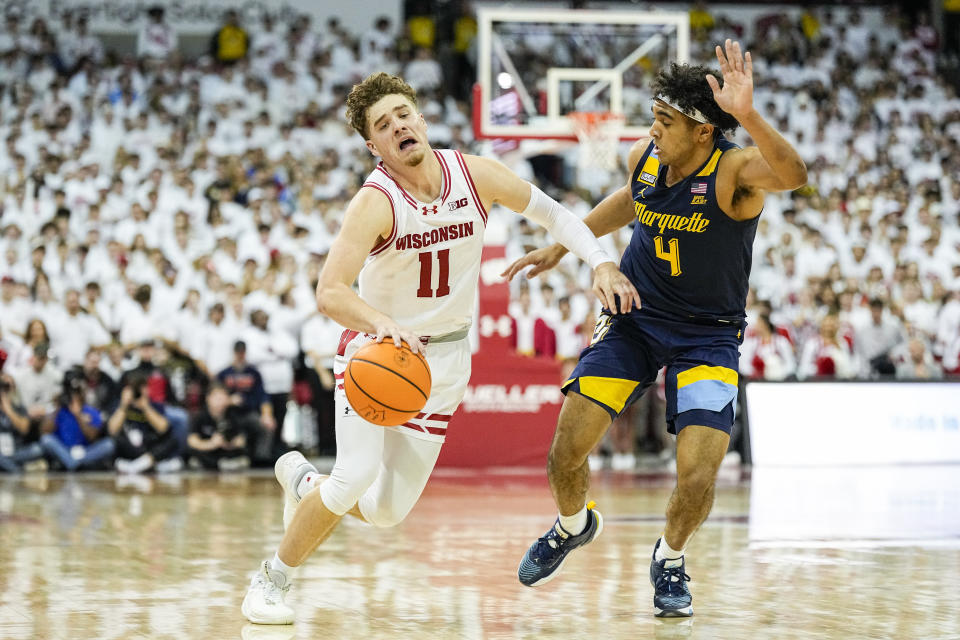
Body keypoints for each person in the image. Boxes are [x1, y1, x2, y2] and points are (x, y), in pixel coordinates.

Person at [241, 71, 638, 624]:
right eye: (383, 124)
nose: (398, 125)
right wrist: (380, 322)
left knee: (385, 512)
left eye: (403, 114)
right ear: (373, 146)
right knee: (354, 474)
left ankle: (306, 482)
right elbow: (329, 291)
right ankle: (270, 580)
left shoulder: (473, 173)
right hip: (376, 353)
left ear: (421, 120)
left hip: (445, 362)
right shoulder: (375, 202)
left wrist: (599, 260)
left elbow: (554, 214)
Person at [502, 41, 807, 617]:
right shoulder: (647, 157)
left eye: (665, 121)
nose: (653, 130)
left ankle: (670, 558)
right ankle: (572, 526)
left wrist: (747, 113)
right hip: (634, 319)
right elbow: (629, 200)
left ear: (701, 132)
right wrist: (563, 246)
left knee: (696, 474)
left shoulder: (734, 170)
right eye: (654, 119)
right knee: (566, 449)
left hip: (707, 335)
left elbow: (794, 174)